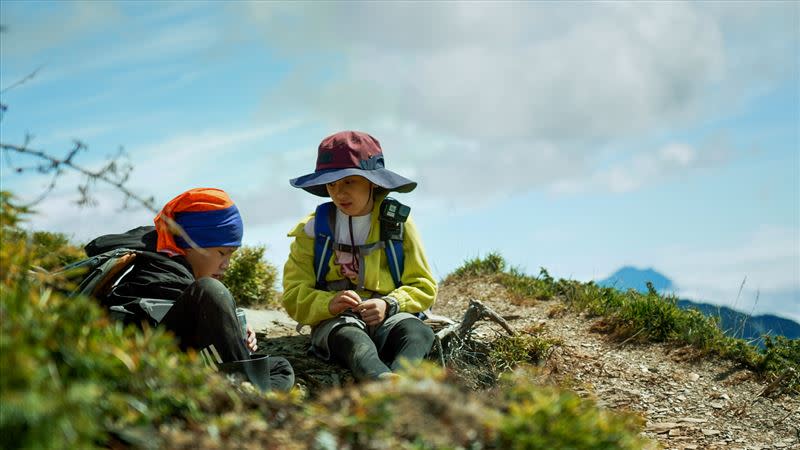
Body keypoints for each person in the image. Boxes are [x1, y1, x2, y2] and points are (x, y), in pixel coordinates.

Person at [85, 187, 294, 391]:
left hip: (179, 365)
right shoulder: (162, 274)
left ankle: (243, 392)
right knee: (210, 289)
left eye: (232, 254)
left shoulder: (168, 258)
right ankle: (245, 398)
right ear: (191, 244)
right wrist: (224, 329)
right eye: (222, 253)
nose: (227, 264)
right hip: (149, 371)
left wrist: (231, 331)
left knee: (280, 367)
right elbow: (180, 325)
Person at [282, 130, 437, 381]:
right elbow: (292, 294)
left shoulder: (398, 224)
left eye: (349, 181)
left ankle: (397, 385)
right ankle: (381, 382)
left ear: (373, 182)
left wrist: (389, 304)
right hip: (337, 321)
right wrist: (328, 304)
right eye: (331, 183)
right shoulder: (313, 230)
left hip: (392, 317)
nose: (338, 193)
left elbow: (424, 285)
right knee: (353, 341)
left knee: (418, 333)